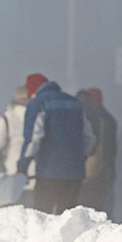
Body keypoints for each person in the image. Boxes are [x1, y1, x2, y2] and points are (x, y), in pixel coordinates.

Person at [16, 73, 96, 215]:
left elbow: (34, 139)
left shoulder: (38, 103)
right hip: (75, 174)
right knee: (67, 218)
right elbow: (89, 138)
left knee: (42, 218)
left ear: (31, 90)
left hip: (48, 172)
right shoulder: (75, 103)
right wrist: (81, 158)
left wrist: (22, 167)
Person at [0, 86, 36, 205]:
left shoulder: (7, 117)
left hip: (12, 170)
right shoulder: (39, 115)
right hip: (36, 170)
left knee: (13, 210)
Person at [77, 87, 118, 219]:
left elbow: (96, 147)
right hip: (106, 170)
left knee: (91, 205)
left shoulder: (93, 119)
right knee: (103, 205)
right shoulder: (109, 119)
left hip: (94, 170)